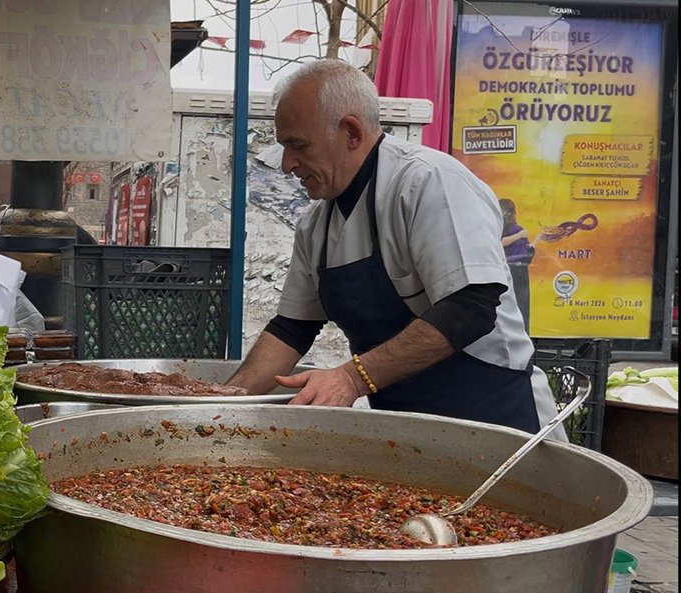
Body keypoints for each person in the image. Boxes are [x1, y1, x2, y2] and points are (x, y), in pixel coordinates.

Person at [225, 60, 556, 435]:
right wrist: (223, 401)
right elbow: (292, 328)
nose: (287, 165)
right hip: (403, 428)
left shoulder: (428, 182)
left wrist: (351, 379)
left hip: (498, 420)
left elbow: (471, 305)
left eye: (298, 146)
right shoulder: (315, 224)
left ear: (351, 132)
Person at [499, 198, 533, 332]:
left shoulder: (516, 228)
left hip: (518, 270)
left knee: (519, 305)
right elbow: (500, 242)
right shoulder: (508, 229)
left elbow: (526, 252)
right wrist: (519, 235)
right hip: (509, 269)